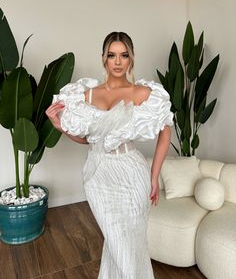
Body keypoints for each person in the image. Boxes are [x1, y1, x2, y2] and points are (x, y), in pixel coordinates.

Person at [46, 31, 174, 278]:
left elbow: (165, 133)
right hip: (99, 176)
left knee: (132, 242)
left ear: (131, 59)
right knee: (116, 242)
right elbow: (87, 140)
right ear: (103, 58)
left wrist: (154, 175)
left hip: (132, 172)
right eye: (112, 55)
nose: (117, 62)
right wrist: (58, 125)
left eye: (124, 55)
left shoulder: (144, 93)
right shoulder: (87, 95)